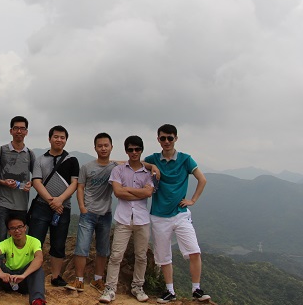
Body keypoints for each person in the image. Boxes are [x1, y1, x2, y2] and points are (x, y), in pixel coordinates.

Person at [144, 124, 211, 303]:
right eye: (163, 138)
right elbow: (133, 163)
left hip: (181, 213)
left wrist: (192, 200)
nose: (166, 141)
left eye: (170, 138)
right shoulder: (153, 159)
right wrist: (152, 166)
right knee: (164, 256)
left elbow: (202, 179)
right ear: (158, 139)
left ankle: (196, 289)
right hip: (159, 215)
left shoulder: (185, 159)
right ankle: (170, 291)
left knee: (194, 251)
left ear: (176, 138)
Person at [100, 136, 154, 303]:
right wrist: (139, 192)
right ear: (126, 151)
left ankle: (137, 287)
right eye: (130, 149)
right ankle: (110, 288)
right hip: (123, 218)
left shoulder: (148, 173)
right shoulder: (119, 170)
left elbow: (148, 193)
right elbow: (118, 192)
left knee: (141, 256)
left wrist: (127, 190)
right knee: (116, 255)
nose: (134, 152)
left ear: (141, 150)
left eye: (137, 149)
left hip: (142, 219)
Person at [66, 133, 118, 294]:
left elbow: (134, 163)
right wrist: (82, 207)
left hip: (106, 213)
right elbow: (80, 187)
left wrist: (153, 167)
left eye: (106, 145)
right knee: (82, 247)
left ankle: (98, 280)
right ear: (95, 148)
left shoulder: (115, 167)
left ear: (111, 147)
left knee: (103, 249)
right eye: (100, 146)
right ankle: (79, 280)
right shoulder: (87, 167)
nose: (103, 148)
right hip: (88, 213)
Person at [28, 125, 79, 287]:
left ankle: (56, 277)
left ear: (66, 140)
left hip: (63, 208)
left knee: (58, 243)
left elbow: (74, 183)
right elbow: (37, 181)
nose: (59, 140)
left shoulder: (72, 160)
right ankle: (31, 275)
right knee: (35, 242)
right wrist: (52, 201)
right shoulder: (40, 160)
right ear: (50, 138)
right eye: (56, 137)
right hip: (42, 206)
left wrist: (60, 200)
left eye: (62, 137)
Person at [0, 215, 46, 305]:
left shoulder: (34, 241)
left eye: (19, 227)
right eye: (13, 228)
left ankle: (37, 300)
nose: (17, 231)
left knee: (37, 268)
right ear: (9, 231)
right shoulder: (6, 243)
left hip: (25, 280)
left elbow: (39, 258)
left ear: (25, 228)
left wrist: (23, 275)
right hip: (7, 279)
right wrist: (1, 273)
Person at [0, 116, 35, 248]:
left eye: (22, 128)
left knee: (18, 240)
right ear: (11, 131)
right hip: (2, 203)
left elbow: (37, 177)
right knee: (0, 238)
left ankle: (15, 262)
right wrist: (3, 182)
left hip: (21, 205)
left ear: (26, 132)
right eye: (16, 128)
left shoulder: (29, 154)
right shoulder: (0, 151)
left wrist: (31, 184)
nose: (19, 131)